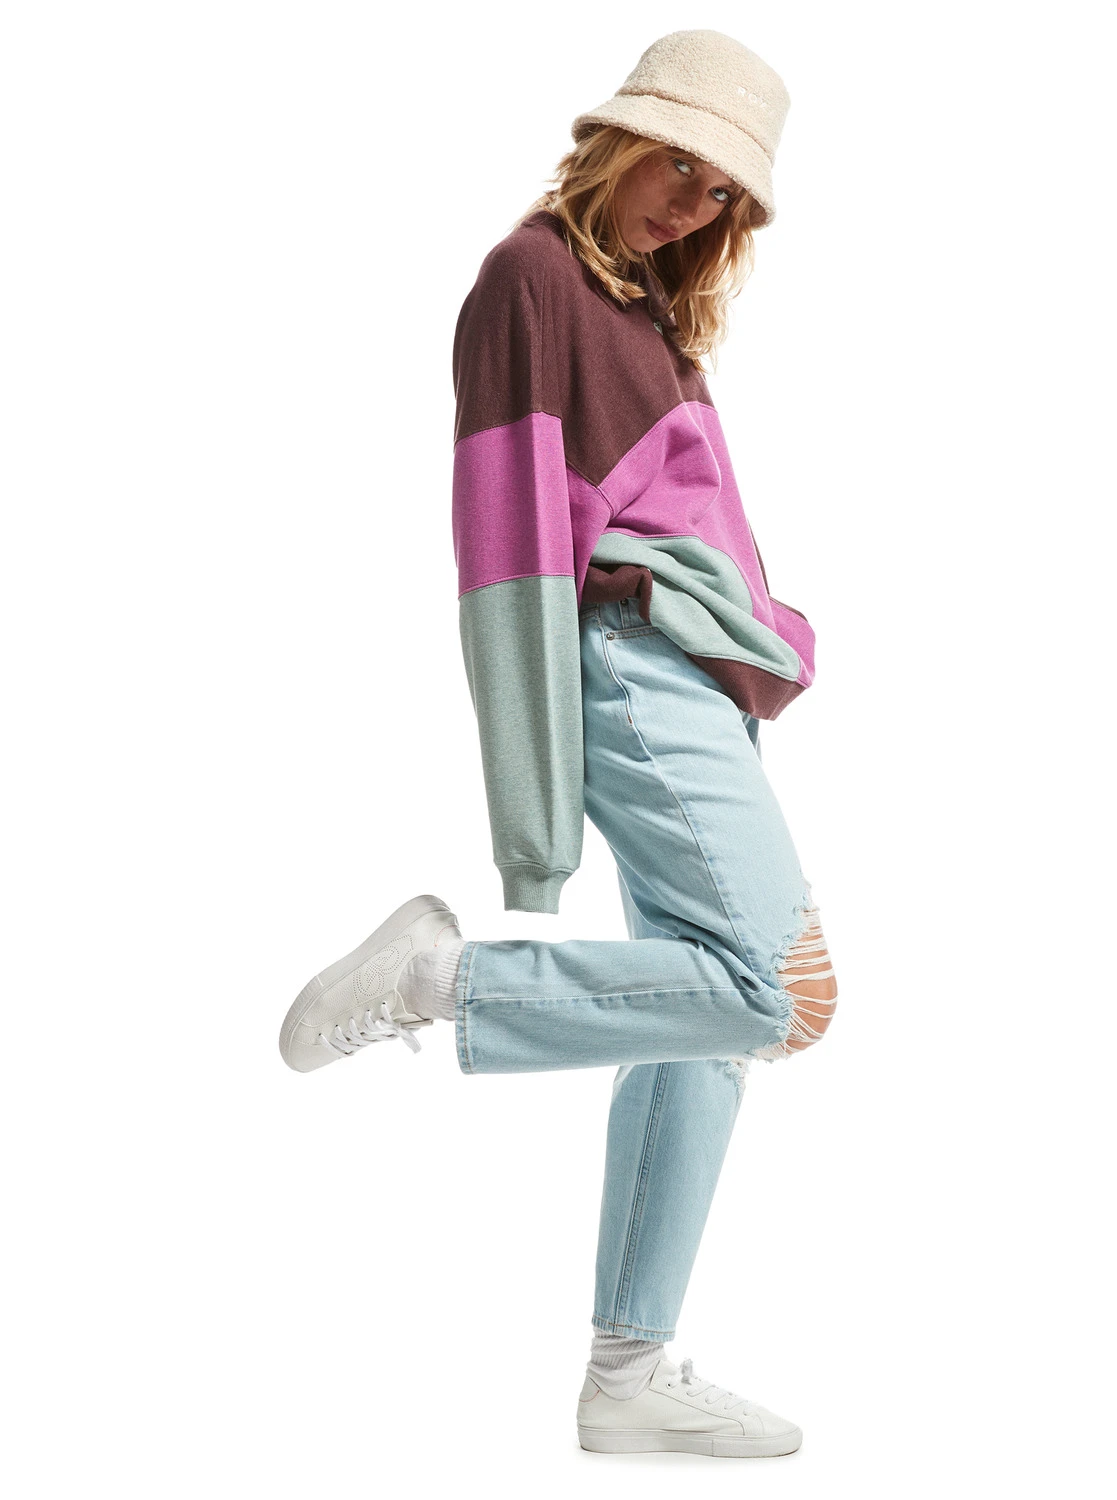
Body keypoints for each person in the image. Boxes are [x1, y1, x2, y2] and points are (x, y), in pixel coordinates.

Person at [278, 29, 838, 1460]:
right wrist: (532, 825)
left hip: (696, 677)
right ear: (621, 136)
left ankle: (628, 1372)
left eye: (724, 194)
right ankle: (443, 980)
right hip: (626, 662)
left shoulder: (647, 310)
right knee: (776, 993)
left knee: (705, 1027)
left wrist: (757, 641)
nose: (693, 204)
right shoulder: (531, 279)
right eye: (682, 167)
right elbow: (512, 553)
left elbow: (695, 520)